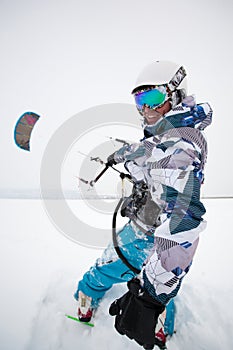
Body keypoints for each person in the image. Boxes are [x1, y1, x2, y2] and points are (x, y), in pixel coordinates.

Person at [74, 60, 212, 349]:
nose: (146, 109)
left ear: (174, 95)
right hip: (152, 229)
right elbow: (146, 151)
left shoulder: (179, 148)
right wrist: (122, 154)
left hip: (146, 233)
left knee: (102, 269)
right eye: (140, 101)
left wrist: (149, 296)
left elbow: (184, 221)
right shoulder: (168, 136)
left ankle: (84, 305)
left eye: (153, 99)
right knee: (154, 280)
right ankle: (161, 325)